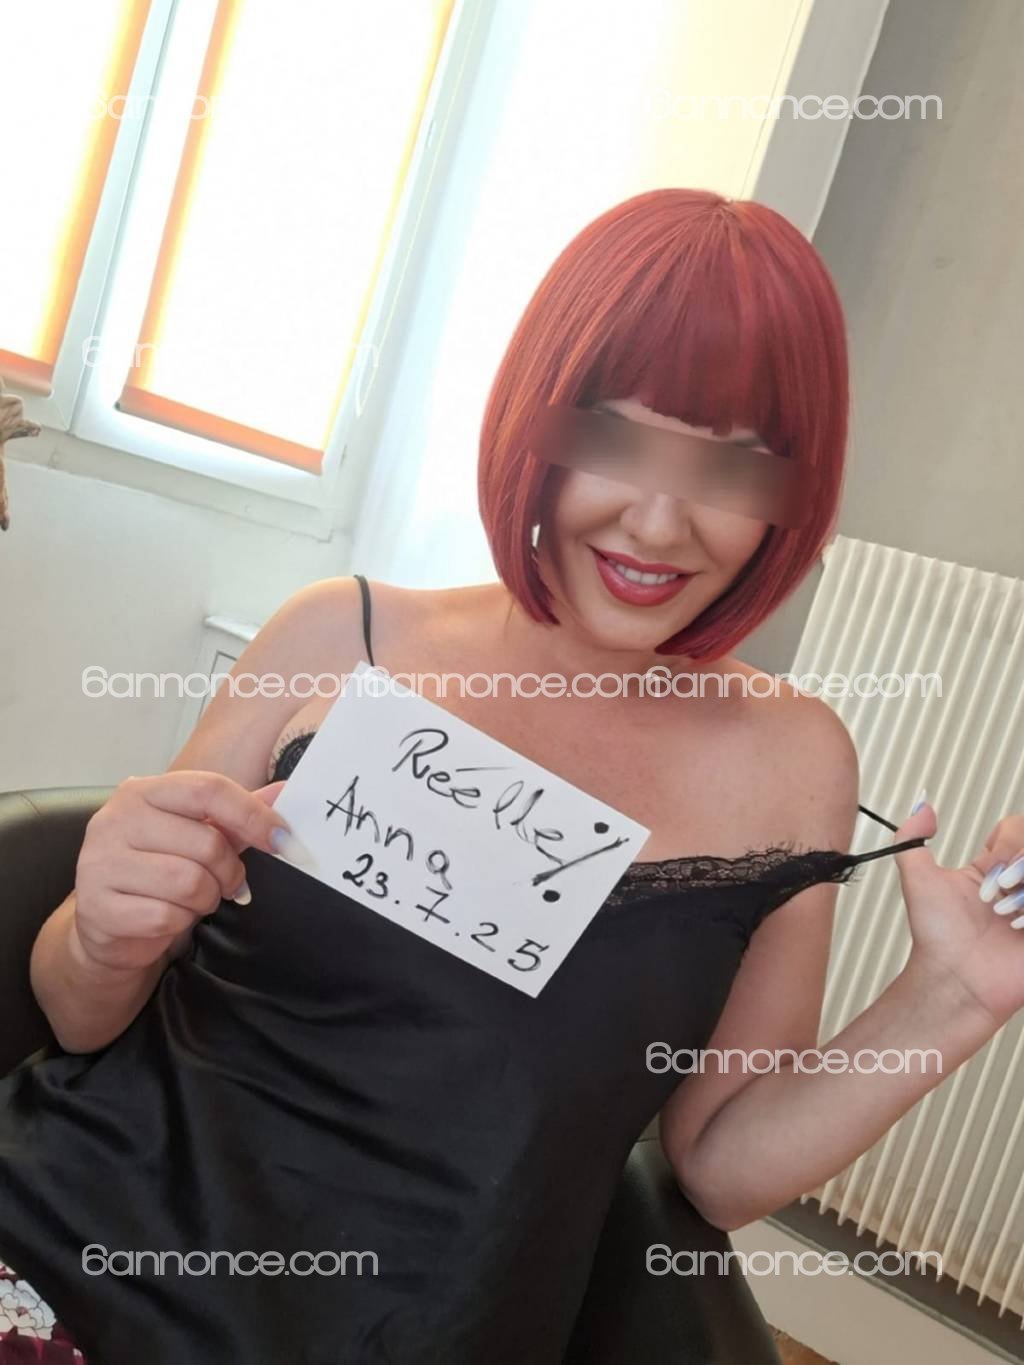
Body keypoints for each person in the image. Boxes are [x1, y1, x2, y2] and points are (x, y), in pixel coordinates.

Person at [3, 187, 1023, 1364]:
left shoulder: (794, 762)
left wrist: (951, 997)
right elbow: (79, 1011)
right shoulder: (340, 634)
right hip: (61, 1262)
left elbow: (717, 1164)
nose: (659, 524)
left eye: (735, 467)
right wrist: (104, 932)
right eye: (615, 439)